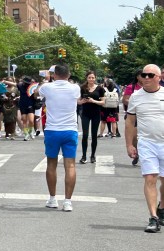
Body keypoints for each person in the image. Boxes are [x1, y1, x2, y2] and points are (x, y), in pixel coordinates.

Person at [125, 65, 164, 233]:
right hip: (147, 143)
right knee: (150, 178)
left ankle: (161, 208)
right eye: (143, 75)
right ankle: (153, 217)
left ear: (159, 77)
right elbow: (130, 122)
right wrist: (129, 144)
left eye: (150, 75)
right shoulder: (135, 97)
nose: (146, 78)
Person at [39, 64, 81, 212]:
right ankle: (68, 201)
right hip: (70, 130)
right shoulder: (75, 88)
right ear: (68, 75)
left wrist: (48, 78)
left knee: (51, 164)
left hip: (52, 130)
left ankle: (52, 199)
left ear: (54, 75)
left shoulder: (47, 87)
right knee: (70, 165)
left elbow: (38, 93)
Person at [78, 71, 105, 164]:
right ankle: (84, 156)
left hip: (96, 113)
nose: (91, 79)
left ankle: (93, 155)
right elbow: (78, 101)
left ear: (95, 78)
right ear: (86, 78)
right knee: (85, 135)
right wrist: (83, 101)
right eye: (89, 77)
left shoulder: (100, 88)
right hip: (85, 113)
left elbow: (103, 102)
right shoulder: (82, 88)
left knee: (94, 135)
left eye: (93, 77)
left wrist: (94, 101)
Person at [122, 69, 144, 166]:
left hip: (144, 115)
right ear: (137, 77)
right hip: (133, 115)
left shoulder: (148, 88)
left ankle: (143, 154)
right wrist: (135, 104)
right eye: (142, 75)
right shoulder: (132, 87)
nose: (145, 77)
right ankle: (137, 152)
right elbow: (125, 100)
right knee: (135, 137)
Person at [17, 76, 36, 140]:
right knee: (24, 120)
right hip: (22, 104)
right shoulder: (20, 86)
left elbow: (37, 95)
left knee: (31, 120)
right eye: (25, 82)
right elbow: (13, 84)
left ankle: (31, 131)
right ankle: (26, 134)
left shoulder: (33, 87)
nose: (26, 84)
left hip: (30, 104)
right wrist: (4, 81)